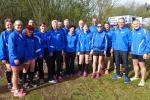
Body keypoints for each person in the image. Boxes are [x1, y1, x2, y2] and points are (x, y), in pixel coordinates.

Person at [8, 20, 26, 97]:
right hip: (15, 58)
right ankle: (16, 91)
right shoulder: (12, 35)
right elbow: (11, 48)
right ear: (14, 26)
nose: (19, 26)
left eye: (21, 25)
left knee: (16, 73)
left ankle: (14, 87)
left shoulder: (21, 35)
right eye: (18, 25)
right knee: (15, 74)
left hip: (21, 57)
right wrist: (15, 58)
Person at [130, 19, 150, 86]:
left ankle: (142, 80)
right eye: (134, 24)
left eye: (137, 23)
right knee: (135, 64)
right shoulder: (132, 31)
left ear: (140, 24)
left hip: (141, 52)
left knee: (142, 66)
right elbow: (130, 41)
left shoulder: (144, 31)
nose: (136, 25)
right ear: (132, 25)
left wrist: (146, 52)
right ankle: (136, 76)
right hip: (134, 52)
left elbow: (148, 42)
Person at [111, 18, 131, 84]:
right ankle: (118, 74)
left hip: (124, 49)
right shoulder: (115, 31)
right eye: (120, 22)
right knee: (117, 62)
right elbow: (113, 40)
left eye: (122, 22)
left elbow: (130, 40)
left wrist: (129, 48)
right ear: (118, 23)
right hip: (116, 49)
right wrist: (113, 47)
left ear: (124, 23)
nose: (121, 23)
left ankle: (126, 76)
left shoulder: (127, 30)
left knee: (125, 63)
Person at [0, 18, 13, 89]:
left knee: (16, 68)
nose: (9, 26)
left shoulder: (15, 32)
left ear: (12, 25)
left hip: (15, 55)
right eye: (7, 25)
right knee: (9, 69)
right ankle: (9, 82)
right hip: (7, 56)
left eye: (10, 24)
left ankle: (18, 80)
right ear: (5, 26)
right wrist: (2, 57)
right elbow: (1, 46)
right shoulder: (3, 34)